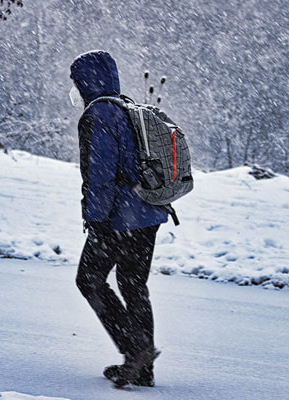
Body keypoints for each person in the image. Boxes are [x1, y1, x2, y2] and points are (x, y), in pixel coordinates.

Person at [69, 50, 168, 387]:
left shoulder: (98, 115)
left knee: (89, 280)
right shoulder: (127, 107)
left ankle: (136, 350)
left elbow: (100, 175)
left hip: (119, 218)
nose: (76, 90)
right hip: (149, 212)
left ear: (86, 82)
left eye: (76, 83)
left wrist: (96, 222)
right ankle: (143, 369)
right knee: (133, 284)